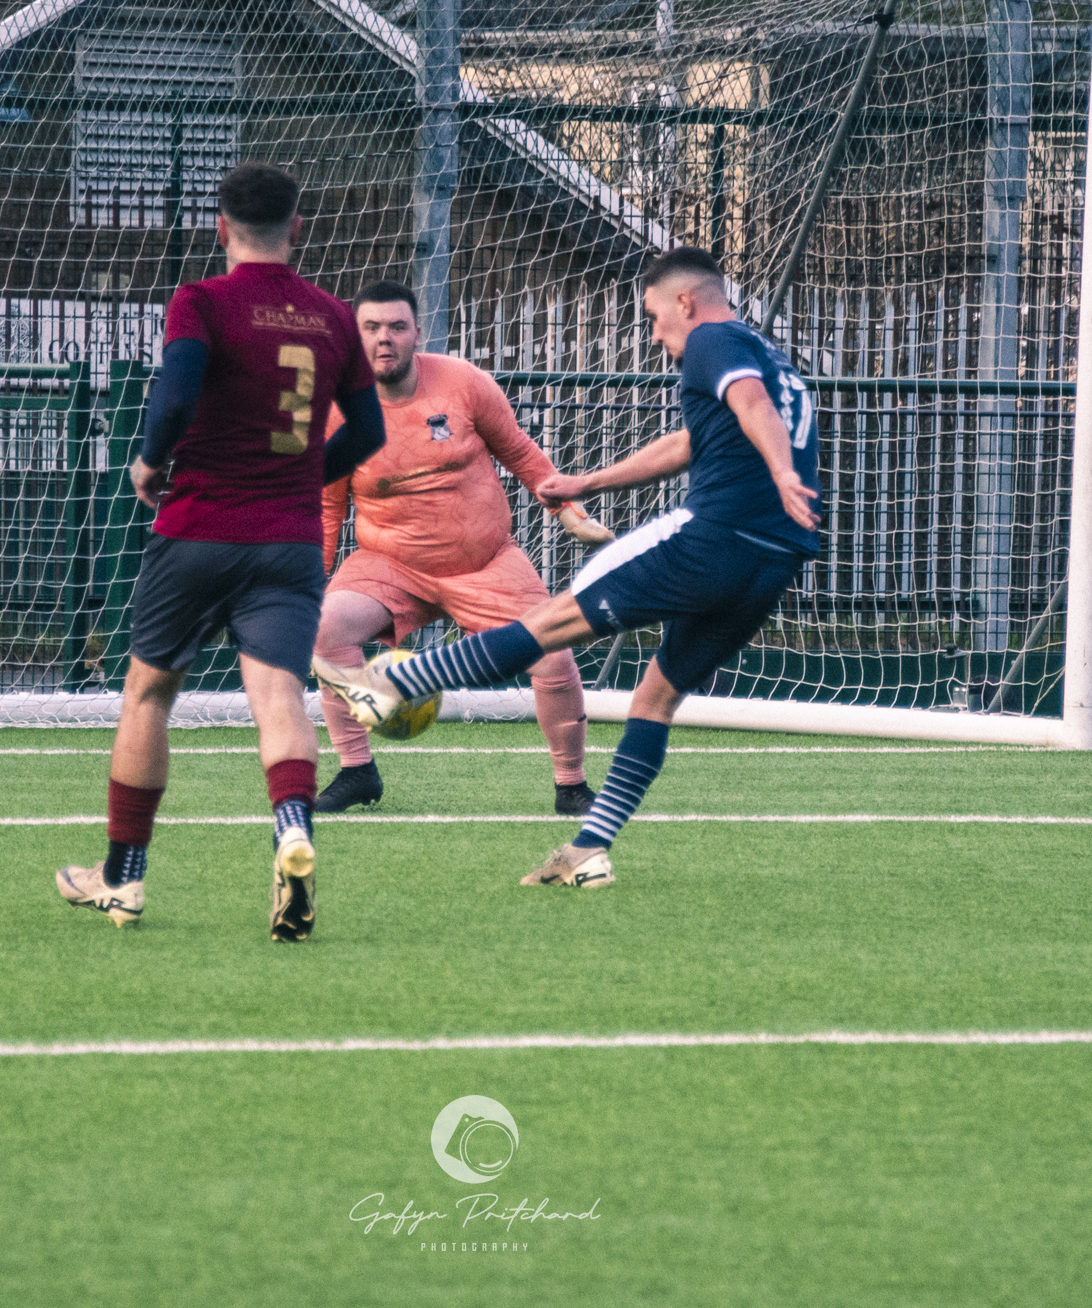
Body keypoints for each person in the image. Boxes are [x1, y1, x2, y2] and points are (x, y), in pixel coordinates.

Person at [315, 246, 819, 889]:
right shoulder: (763, 348)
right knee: (656, 696)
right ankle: (588, 849)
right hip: (776, 557)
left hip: (711, 537)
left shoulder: (711, 341)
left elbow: (750, 405)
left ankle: (407, 680)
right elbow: (692, 442)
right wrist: (588, 481)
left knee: (552, 625)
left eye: (656, 318)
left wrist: (778, 470)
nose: (659, 336)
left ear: (686, 302)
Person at [56, 162, 383, 940]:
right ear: (296, 228)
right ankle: (292, 829)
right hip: (289, 540)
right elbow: (368, 434)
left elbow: (174, 392)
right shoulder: (335, 317)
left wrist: (147, 461)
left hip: (198, 528)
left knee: (148, 694)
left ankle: (123, 878)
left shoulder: (200, 299)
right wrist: (305, 474)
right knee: (278, 696)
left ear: (220, 226)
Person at [311, 280, 613, 816]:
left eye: (397, 327)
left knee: (554, 654)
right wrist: (307, 579)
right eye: (372, 328)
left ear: (416, 333)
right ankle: (357, 772)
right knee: (324, 629)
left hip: (486, 561)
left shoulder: (465, 383)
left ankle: (571, 786)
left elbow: (521, 453)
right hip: (389, 565)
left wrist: (570, 514)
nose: (385, 339)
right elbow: (328, 506)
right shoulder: (335, 410)